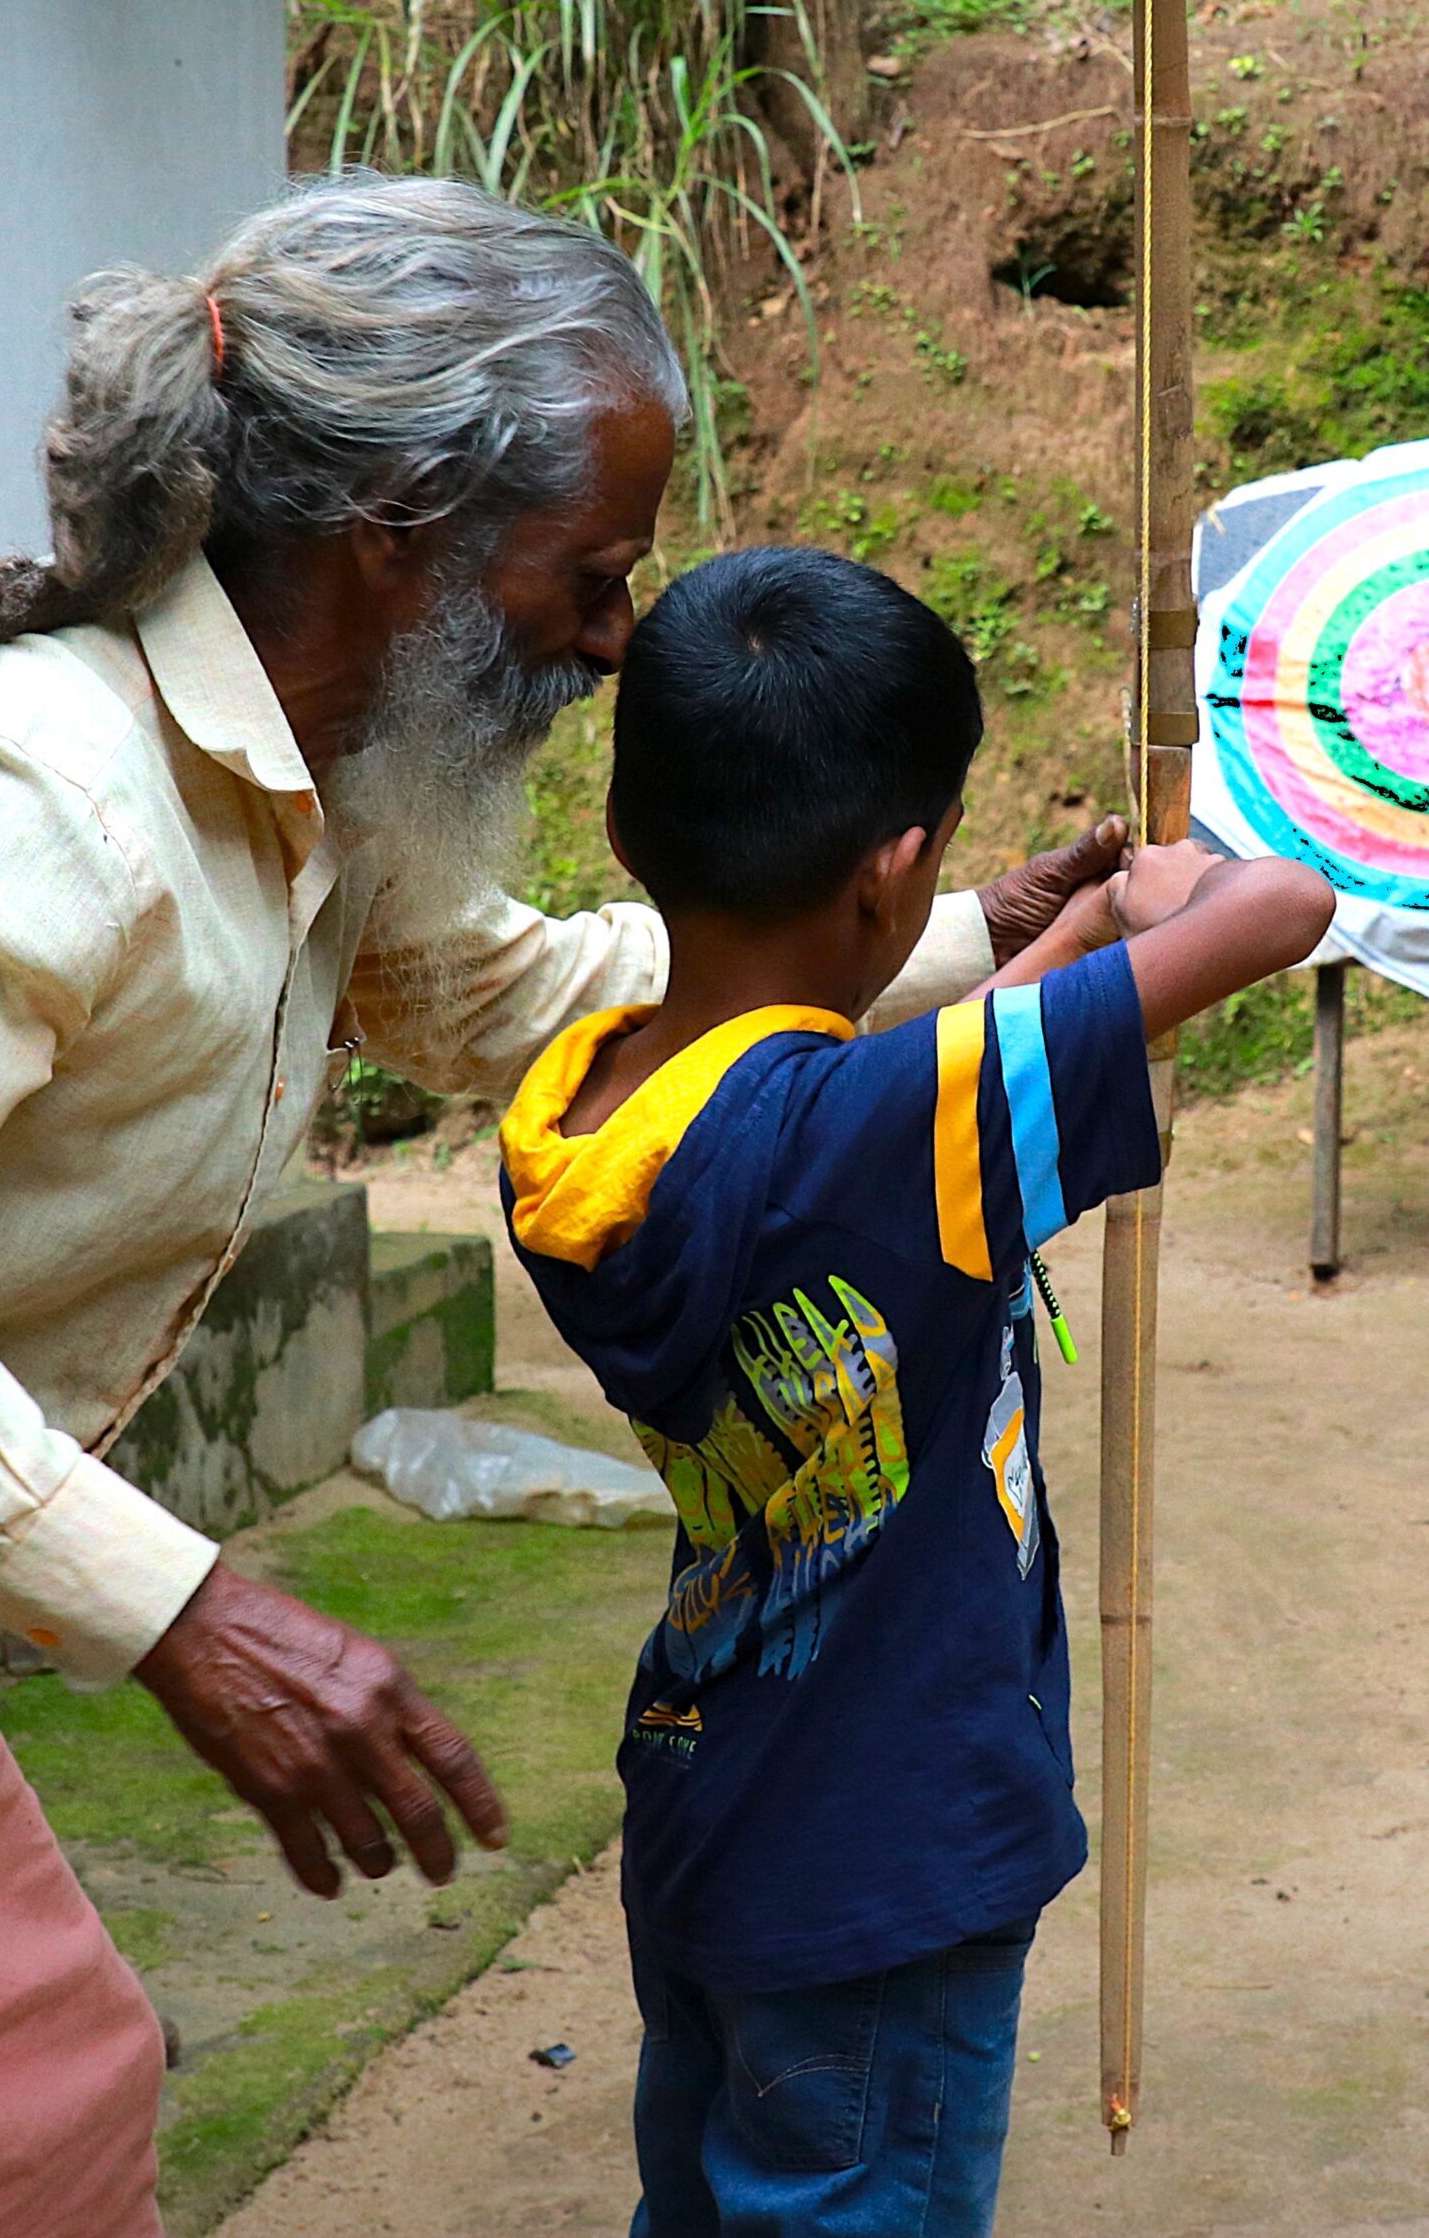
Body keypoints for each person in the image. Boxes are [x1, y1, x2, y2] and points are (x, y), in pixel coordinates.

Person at [0, 177, 1126, 2236]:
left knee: (64, 2092)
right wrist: (190, 1610)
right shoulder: (46, 791)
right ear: (401, 537)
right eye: (591, 570)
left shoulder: (295, 782)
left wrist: (949, 948)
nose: (611, 636)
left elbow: (508, 989)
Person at [499, 547, 1334, 2238]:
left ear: (628, 828)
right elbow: (1283, 911)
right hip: (892, 1853)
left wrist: (1084, 927)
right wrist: (1169, 890)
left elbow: (879, 1118)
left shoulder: (580, 1115)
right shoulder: (889, 1132)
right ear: (894, 879)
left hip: (719, 1803)